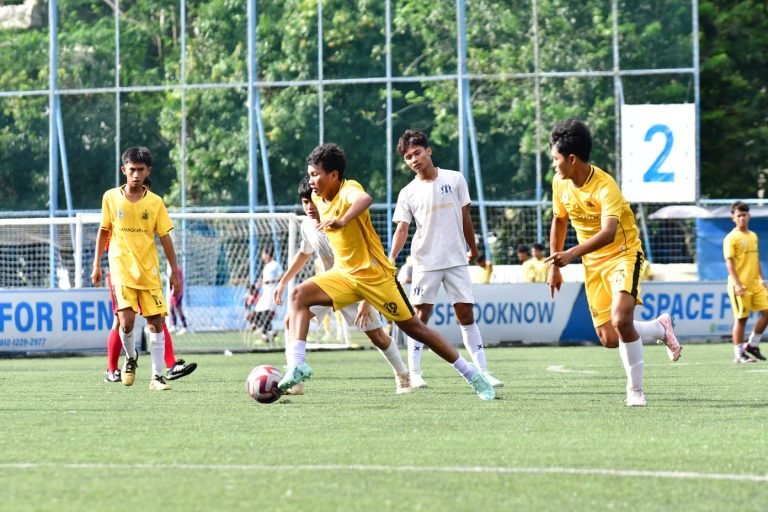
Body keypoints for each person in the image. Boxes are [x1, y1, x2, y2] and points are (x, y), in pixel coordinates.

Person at [277, 142, 494, 400]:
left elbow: (365, 199)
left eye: (315, 175)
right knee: (298, 296)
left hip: (376, 276)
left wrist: (343, 219)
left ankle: (472, 375)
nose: (311, 180)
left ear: (334, 175)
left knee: (416, 329)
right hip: (344, 275)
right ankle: (297, 365)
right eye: (310, 174)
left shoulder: (349, 189)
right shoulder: (315, 198)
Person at [545, 119, 681, 407]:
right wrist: (554, 266)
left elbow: (608, 234)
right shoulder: (560, 183)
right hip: (593, 263)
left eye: (555, 159)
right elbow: (559, 220)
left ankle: (635, 391)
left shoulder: (606, 187)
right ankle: (660, 327)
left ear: (571, 159)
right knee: (609, 337)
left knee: (621, 320)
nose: (553, 165)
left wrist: (570, 255)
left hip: (623, 253)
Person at [272, 177, 412, 395]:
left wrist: (367, 301)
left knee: (376, 335)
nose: (309, 206)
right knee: (291, 318)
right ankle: (296, 377)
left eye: (312, 200)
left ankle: (402, 373)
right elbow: (303, 253)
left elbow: (370, 261)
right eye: (304, 202)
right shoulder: (308, 225)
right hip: (326, 285)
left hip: (357, 285)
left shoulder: (340, 221)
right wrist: (283, 281)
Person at [388, 129, 502, 389]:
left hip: (456, 259)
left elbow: (465, 217)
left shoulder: (455, 178)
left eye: (417, 152)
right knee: (420, 317)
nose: (414, 159)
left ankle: (483, 371)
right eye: (407, 157)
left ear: (428, 151)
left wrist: (473, 249)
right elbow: (402, 229)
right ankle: (415, 373)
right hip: (425, 262)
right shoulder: (407, 192)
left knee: (465, 312)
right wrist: (391, 257)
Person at [91, 146, 180, 391]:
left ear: (148, 171)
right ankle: (130, 358)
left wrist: (174, 269)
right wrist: (96, 264)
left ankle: (157, 377)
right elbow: (103, 231)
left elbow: (164, 236)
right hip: (120, 270)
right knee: (126, 322)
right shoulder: (110, 197)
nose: (136, 175)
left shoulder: (155, 202)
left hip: (149, 271)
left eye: (141, 170)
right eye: (132, 170)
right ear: (124, 170)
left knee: (155, 323)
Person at [104, 271, 197, 383]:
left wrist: (173, 268)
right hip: (121, 274)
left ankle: (171, 366)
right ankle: (112, 369)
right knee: (120, 320)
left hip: (146, 272)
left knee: (159, 317)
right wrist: (96, 265)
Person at [723, 200, 768, 363]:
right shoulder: (731, 238)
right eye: (739, 215)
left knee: (767, 312)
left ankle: (752, 345)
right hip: (740, 284)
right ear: (733, 218)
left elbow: (755, 260)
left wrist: (762, 279)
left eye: (744, 215)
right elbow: (730, 263)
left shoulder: (753, 236)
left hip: (755, 284)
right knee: (741, 319)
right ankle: (739, 354)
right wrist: (737, 283)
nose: (742, 218)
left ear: (749, 216)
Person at [249, 246, 284, 343]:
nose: (262, 256)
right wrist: (257, 285)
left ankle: (265, 335)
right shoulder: (266, 266)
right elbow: (265, 280)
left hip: (272, 292)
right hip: (265, 292)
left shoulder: (275, 264)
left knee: (265, 312)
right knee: (258, 310)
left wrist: (271, 281)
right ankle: (271, 331)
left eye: (263, 254)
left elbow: (282, 276)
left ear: (268, 254)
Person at [167, 262, 189, 334]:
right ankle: (174, 325)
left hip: (178, 291)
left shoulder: (176, 269)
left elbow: (174, 279)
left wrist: (172, 287)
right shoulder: (174, 269)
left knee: (178, 308)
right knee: (171, 308)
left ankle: (184, 326)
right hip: (174, 291)